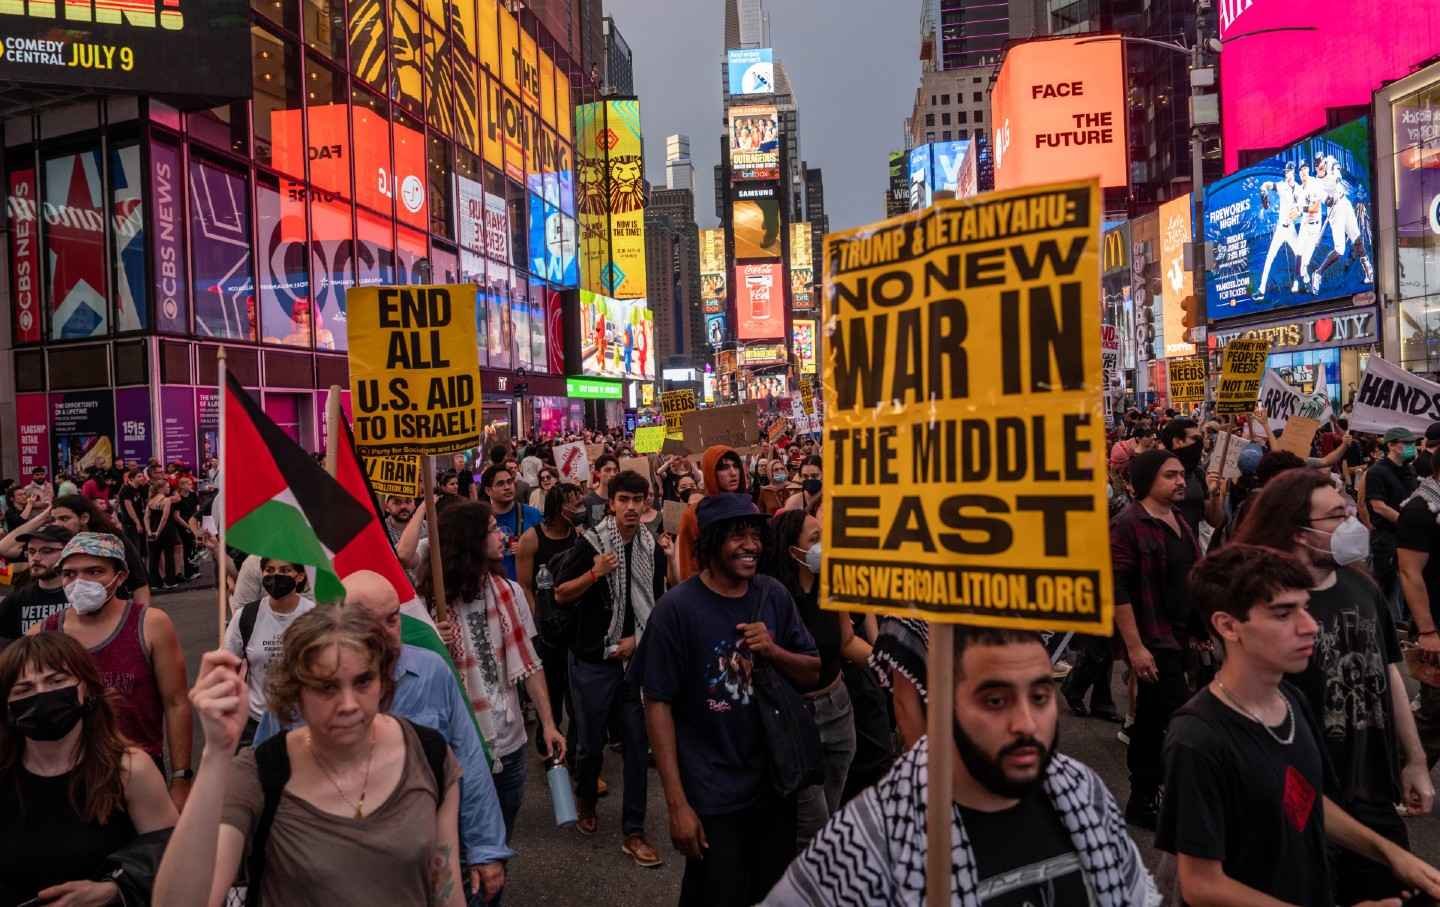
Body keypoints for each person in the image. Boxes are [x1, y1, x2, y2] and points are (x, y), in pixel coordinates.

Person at [765, 627, 1161, 907]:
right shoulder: (867, 841)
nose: (1026, 723)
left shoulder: (1084, 793)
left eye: (1040, 696)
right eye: (994, 700)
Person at [1158, 544, 1440, 906]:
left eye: (1305, 608)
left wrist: (1392, 856)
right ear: (1228, 625)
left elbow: (1304, 799)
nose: (1310, 626)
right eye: (1283, 614)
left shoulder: (1291, 700)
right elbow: (1202, 886)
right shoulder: (1198, 737)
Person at [154, 608, 470, 907]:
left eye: (363, 681)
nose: (348, 704)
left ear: (383, 680)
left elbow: (446, 888)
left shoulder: (429, 753)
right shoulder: (260, 773)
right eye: (326, 687)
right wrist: (216, 754)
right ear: (295, 691)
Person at [252, 572, 513, 904]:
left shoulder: (432, 673)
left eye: (393, 619)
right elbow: (258, 781)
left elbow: (469, 760)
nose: (388, 634)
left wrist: (485, 846)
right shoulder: (300, 686)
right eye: (329, 690)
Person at [1235, 468, 1434, 901]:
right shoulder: (1268, 604)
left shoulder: (1362, 586)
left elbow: (1386, 674)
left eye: (1348, 512)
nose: (1351, 524)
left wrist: (1415, 758)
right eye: (1335, 517)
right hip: (1300, 796)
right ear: (1297, 531)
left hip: (1373, 790)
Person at [630, 493, 819, 906]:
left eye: (755, 534)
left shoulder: (773, 595)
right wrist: (677, 805)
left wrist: (773, 651)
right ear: (711, 542)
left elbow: (812, 669)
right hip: (713, 795)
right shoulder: (675, 610)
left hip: (775, 788)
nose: (751, 544)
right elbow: (657, 704)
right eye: (737, 535)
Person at [0, 633, 178, 905]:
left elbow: (172, 854)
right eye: (24, 690)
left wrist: (113, 890)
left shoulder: (129, 770)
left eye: (56, 681)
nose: (42, 694)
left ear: (87, 689)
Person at [431, 501, 566, 844]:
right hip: (460, 747)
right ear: (470, 540)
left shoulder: (511, 592)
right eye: (492, 529)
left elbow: (531, 664)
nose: (501, 534)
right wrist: (432, 638)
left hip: (511, 741)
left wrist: (549, 724)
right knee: (466, 845)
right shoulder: (433, 603)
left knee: (501, 839)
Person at [554, 471, 668, 866]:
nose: (632, 508)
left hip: (633, 664)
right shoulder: (590, 544)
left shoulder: (652, 548)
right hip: (591, 663)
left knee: (637, 746)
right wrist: (594, 573)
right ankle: (585, 797)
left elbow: (656, 603)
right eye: (624, 500)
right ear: (612, 503)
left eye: (639, 500)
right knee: (589, 746)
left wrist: (637, 640)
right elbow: (561, 593)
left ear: (647, 503)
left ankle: (633, 832)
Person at [32, 532, 193, 808]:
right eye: (69, 574)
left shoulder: (150, 625)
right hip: (68, 775)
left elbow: (176, 703)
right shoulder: (43, 633)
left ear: (119, 576)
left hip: (139, 773)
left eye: (94, 571)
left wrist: (181, 778)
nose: (80, 582)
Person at [1110, 448, 1201, 829]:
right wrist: (1135, 647)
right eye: (1170, 475)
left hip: (1182, 638)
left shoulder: (1177, 519)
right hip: (1154, 639)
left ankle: (1150, 795)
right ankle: (1146, 795)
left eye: (1181, 474)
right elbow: (1119, 588)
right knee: (1172, 718)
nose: (1181, 481)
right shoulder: (1129, 524)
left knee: (1153, 717)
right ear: (1149, 480)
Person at [764, 509, 856, 847]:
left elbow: (847, 640)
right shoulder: (775, 598)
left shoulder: (831, 584)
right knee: (814, 827)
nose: (824, 547)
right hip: (799, 717)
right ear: (793, 551)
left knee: (831, 812)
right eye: (814, 540)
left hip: (839, 707)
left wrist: (889, 664)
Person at [221, 558, 317, 747]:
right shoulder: (246, 616)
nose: (276, 576)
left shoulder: (314, 616)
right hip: (255, 726)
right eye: (269, 570)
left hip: (305, 724)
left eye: (285, 570)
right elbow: (226, 666)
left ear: (299, 576)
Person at [516, 481, 584, 742]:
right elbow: (524, 585)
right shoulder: (532, 538)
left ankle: (577, 751)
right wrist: (539, 620)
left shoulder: (577, 535)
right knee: (552, 693)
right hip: (546, 632)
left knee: (576, 696)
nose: (578, 507)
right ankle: (551, 750)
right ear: (558, 506)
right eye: (573, 503)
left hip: (574, 625)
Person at [2, 493, 153, 605]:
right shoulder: (52, 541)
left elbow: (139, 584)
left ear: (84, 518)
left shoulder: (109, 541)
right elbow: (4, 547)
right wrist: (42, 517)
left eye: (65, 519)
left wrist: (138, 623)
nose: (58, 524)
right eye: (54, 519)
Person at [1397, 452, 1440, 771]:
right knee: (1435, 713)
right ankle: (1404, 777)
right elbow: (1410, 573)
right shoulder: (1419, 510)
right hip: (1436, 624)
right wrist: (1427, 631)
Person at [1368, 427, 1420, 620]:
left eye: (1412, 443)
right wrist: (1407, 523)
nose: (1410, 447)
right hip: (1387, 540)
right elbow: (1378, 506)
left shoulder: (1409, 470)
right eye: (1405, 443)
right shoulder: (1377, 472)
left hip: (1408, 539)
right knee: (1389, 591)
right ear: (1391, 445)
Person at [673, 445, 746, 582]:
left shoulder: (750, 508)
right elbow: (688, 566)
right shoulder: (694, 514)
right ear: (710, 472)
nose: (733, 472)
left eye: (736, 466)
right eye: (724, 468)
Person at [0, 525, 73, 644]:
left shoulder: (79, 595)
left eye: (47, 551)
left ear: (67, 553)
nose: (36, 558)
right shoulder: (17, 599)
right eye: (31, 551)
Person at [1159, 417, 1224, 532]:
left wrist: (1215, 495)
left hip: (1192, 546)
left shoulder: (1198, 473)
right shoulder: (1156, 471)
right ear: (1178, 441)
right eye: (1195, 439)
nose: (1200, 443)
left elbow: (1215, 521)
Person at [480, 464, 541, 582]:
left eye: (509, 482)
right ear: (488, 490)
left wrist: (527, 549)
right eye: (500, 484)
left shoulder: (533, 514)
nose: (507, 487)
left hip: (529, 585)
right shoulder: (482, 520)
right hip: (497, 588)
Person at [144, 479, 183, 589]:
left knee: (153, 557)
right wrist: (158, 532)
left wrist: (149, 531)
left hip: (152, 530)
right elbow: (164, 518)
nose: (169, 489)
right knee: (169, 556)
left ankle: (155, 583)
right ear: (161, 489)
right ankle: (170, 582)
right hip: (166, 531)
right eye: (167, 487)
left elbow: (146, 517)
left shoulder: (150, 501)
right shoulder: (166, 501)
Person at [583, 454, 621, 526]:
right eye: (607, 470)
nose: (612, 474)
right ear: (598, 473)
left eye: (615, 470)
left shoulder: (623, 498)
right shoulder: (588, 501)